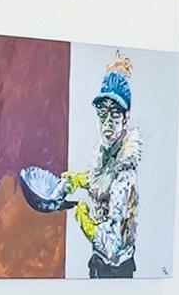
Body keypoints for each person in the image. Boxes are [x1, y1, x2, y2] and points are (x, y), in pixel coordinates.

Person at [16, 57, 139, 278]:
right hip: (98, 260)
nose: (107, 123)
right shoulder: (108, 154)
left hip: (115, 269)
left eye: (114, 115)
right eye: (102, 115)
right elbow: (102, 179)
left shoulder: (125, 174)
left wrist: (85, 221)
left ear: (126, 118)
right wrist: (80, 179)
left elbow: (113, 245)